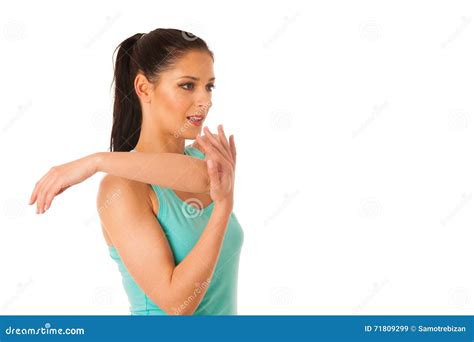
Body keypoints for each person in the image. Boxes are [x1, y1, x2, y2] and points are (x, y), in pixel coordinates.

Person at [28, 28, 244, 315]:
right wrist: (222, 208)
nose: (205, 101)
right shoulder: (122, 188)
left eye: (209, 86)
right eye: (187, 85)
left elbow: (203, 176)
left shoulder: (201, 159)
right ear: (143, 88)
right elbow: (177, 303)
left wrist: (95, 161)